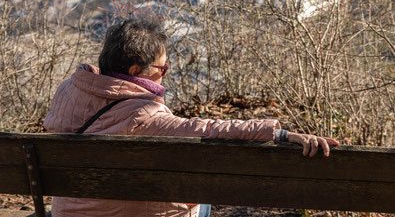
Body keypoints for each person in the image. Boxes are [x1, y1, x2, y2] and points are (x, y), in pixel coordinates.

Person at [44, 17, 338, 217]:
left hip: (67, 211)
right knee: (201, 200)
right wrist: (282, 134)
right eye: (162, 68)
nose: (164, 73)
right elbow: (212, 128)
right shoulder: (143, 115)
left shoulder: (69, 88)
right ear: (135, 72)